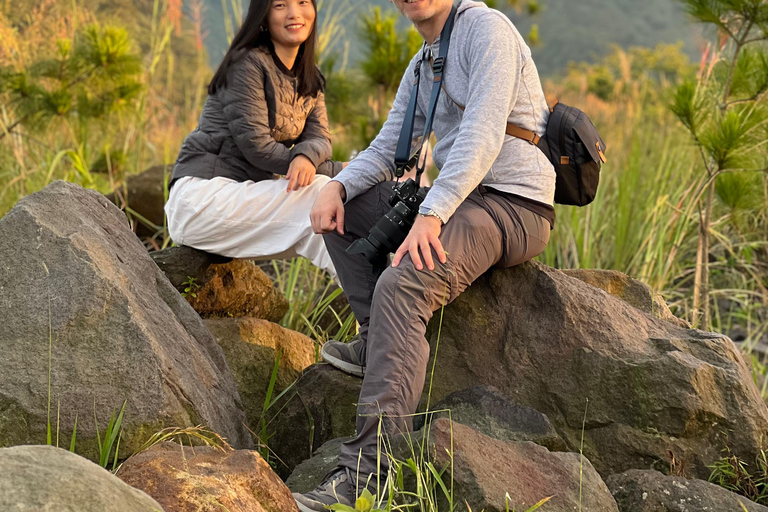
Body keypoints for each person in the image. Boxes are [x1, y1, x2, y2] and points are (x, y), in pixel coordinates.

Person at [293, 0, 557, 510]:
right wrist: (338, 187)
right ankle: (378, 346)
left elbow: (481, 136)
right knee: (342, 214)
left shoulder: (487, 31)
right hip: (462, 198)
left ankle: (369, 478)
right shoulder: (424, 61)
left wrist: (432, 214)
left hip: (513, 201)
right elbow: (389, 146)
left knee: (402, 285)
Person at [164, 0, 342, 278]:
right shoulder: (247, 63)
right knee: (321, 191)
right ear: (263, 16)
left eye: (303, 2)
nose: (295, 13)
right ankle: (376, 313)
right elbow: (258, 147)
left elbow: (321, 139)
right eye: (280, 5)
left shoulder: (310, 76)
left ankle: (373, 312)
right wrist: (343, 172)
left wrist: (307, 155)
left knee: (330, 213)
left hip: (245, 196)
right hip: (202, 199)